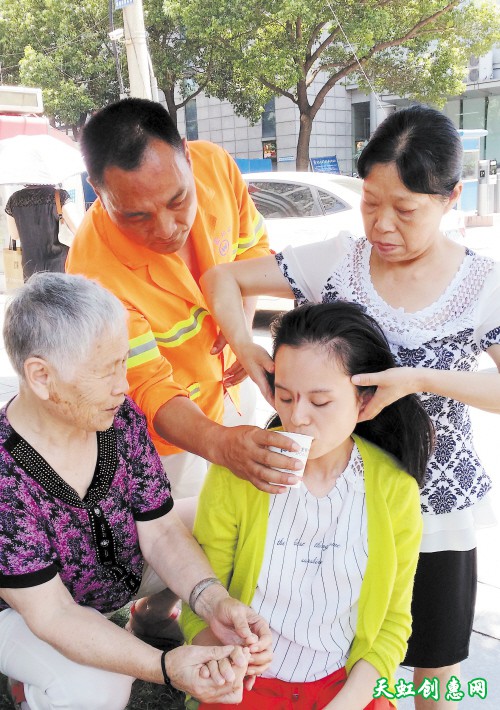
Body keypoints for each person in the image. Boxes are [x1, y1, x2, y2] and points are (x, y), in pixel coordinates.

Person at [199, 104, 500, 709]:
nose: (382, 225)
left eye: (405, 209)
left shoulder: (483, 284)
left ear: (450, 198)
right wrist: (249, 351)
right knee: (345, 646)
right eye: (370, 203)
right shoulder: (337, 259)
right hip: (323, 496)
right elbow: (222, 279)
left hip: (433, 500)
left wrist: (420, 379)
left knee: (432, 666)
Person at [0, 272, 272, 710]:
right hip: (29, 611)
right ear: (41, 376)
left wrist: (213, 601)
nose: (123, 386)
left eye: (122, 363)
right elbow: (53, 614)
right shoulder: (4, 474)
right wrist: (164, 667)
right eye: (106, 371)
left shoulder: (116, 414)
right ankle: (35, 689)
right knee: (99, 688)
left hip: (114, 574)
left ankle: (152, 618)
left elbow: (161, 530)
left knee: (228, 518)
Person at [181, 302, 434, 710]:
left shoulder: (393, 490)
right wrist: (227, 655)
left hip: (345, 688)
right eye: (284, 396)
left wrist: (345, 704)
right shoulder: (236, 474)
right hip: (246, 681)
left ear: (364, 401)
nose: (297, 417)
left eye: (320, 401)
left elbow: (392, 623)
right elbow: (201, 602)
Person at [66, 98, 303, 504]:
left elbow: (252, 252)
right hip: (173, 437)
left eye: (178, 200)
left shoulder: (216, 166)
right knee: (183, 538)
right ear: (99, 193)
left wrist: (239, 332)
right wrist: (220, 444)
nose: (166, 229)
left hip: (234, 388)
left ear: (189, 160)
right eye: (136, 216)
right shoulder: (92, 274)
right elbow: (149, 385)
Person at [5, 184, 80, 279]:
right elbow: (79, 230)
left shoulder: (14, 199)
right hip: (59, 265)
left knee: (35, 293)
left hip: (30, 266)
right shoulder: (59, 196)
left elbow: (14, 235)